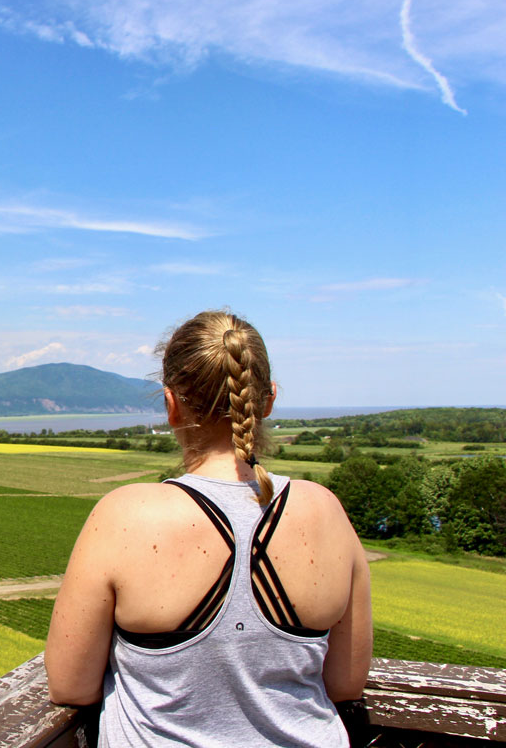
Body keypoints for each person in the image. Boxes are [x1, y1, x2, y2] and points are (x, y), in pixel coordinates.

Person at [45, 309, 372, 747]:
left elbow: (71, 685)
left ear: (171, 404)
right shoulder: (326, 510)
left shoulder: (124, 516)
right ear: (269, 400)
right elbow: (346, 683)